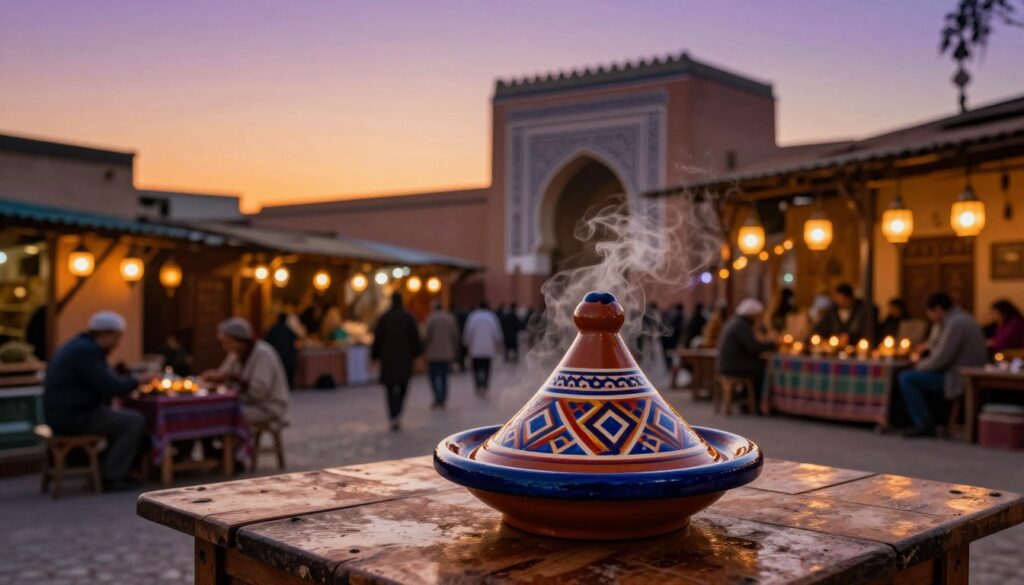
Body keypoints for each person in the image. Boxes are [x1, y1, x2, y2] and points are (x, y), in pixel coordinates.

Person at [43, 311, 145, 490]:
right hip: (74, 418)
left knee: (123, 418)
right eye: (117, 337)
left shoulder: (78, 346)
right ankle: (111, 476)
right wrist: (138, 381)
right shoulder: (88, 352)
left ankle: (108, 468)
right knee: (134, 421)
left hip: (62, 414)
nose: (118, 344)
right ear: (105, 334)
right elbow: (112, 386)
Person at [898, 292, 987, 437]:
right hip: (958, 372)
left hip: (958, 377)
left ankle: (923, 422)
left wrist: (918, 366)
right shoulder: (957, 319)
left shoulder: (955, 323)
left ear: (938, 309)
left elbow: (941, 358)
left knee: (907, 378)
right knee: (913, 375)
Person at [204, 317, 290, 428]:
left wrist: (233, 378)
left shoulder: (263, 354)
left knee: (225, 416)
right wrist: (216, 377)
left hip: (267, 407)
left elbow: (259, 392)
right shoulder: (236, 354)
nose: (225, 347)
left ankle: (236, 445)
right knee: (210, 412)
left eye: (227, 343)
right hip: (246, 403)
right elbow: (223, 372)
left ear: (239, 341)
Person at [371, 293, 422, 430]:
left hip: (388, 359)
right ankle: (397, 411)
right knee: (403, 387)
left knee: (389, 389)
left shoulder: (384, 318)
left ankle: (393, 414)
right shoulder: (409, 317)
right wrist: (417, 355)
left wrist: (374, 357)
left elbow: (377, 339)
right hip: (404, 359)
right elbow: (415, 338)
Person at [716, 299, 778, 404]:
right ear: (752, 315)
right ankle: (757, 402)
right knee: (763, 368)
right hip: (733, 365)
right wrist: (772, 345)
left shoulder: (735, 322)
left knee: (758, 366)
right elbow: (753, 347)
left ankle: (747, 398)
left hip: (728, 364)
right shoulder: (741, 326)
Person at [422, 301, 460, 408]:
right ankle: (443, 398)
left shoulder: (430, 318)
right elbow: (455, 335)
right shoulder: (450, 318)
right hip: (446, 352)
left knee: (433, 377)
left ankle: (437, 397)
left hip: (433, 353)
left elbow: (426, 336)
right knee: (444, 376)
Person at [463, 302, 503, 393]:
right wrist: (498, 344)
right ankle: (485, 385)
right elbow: (496, 332)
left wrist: (466, 343)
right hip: (488, 348)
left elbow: (468, 332)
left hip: (475, 348)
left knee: (476, 368)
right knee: (487, 368)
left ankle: (478, 384)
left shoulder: (473, 317)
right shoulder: (491, 317)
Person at [264, 313, 298, 388]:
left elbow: (266, 340)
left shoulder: (273, 329)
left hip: (276, 355)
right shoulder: (288, 329)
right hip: (288, 356)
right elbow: (295, 338)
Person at [661, 303, 685, 370]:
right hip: (673, 339)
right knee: (671, 354)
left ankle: (670, 365)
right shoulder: (679, 316)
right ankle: (670, 365)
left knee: (671, 354)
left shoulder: (676, 316)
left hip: (671, 339)